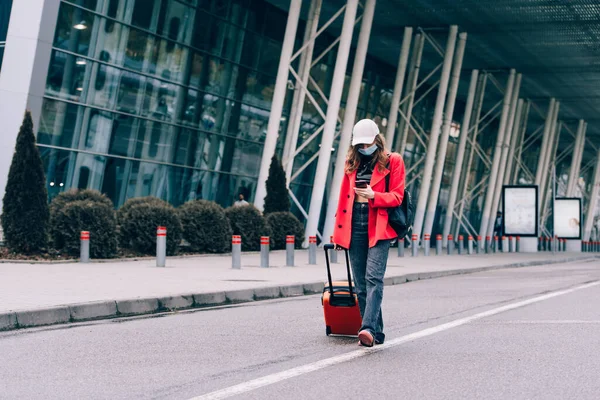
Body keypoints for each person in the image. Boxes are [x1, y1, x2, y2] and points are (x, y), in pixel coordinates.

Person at [332, 119, 406, 347]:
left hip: (379, 226)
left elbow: (397, 196)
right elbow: (344, 200)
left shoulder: (393, 161)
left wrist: (375, 196)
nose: (364, 148)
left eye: (367, 143)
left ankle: (367, 328)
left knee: (374, 278)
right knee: (361, 283)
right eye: (360, 145)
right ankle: (376, 332)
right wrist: (338, 234)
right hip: (354, 225)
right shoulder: (351, 162)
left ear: (377, 139)